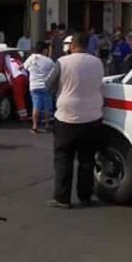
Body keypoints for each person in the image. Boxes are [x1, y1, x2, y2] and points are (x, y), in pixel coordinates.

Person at [45, 32, 104, 209]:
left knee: (63, 157)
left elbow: (49, 85)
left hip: (67, 117)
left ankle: (62, 198)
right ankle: (85, 196)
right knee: (87, 159)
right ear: (88, 45)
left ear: (72, 46)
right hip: (93, 116)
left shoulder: (63, 62)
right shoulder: (97, 62)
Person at [24, 41, 56, 133]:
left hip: (34, 86)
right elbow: (55, 71)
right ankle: (46, 125)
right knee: (47, 107)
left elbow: (24, 67)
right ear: (44, 50)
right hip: (46, 86)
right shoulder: (48, 61)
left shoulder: (31, 58)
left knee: (36, 106)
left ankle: (35, 126)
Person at [4, 54, 30, 121]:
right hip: (24, 76)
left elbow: (8, 73)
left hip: (17, 78)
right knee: (23, 95)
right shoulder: (16, 60)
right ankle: (25, 111)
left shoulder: (5, 62)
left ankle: (23, 115)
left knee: (18, 97)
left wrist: (10, 83)